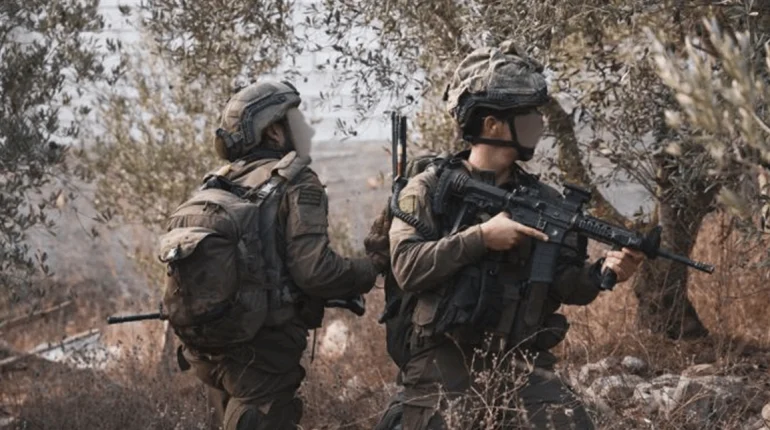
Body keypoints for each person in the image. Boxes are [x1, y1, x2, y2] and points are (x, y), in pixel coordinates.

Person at [378, 41, 645, 429]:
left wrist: (604, 272)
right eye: (528, 115)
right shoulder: (428, 190)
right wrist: (482, 237)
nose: (539, 123)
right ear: (492, 125)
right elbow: (407, 267)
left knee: (570, 423)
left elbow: (565, 285)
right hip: (443, 359)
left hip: (519, 359)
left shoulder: (544, 200)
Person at [173, 80, 390, 430]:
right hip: (263, 347)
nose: (308, 130)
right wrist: (372, 266)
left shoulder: (216, 184)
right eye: (296, 120)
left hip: (207, 345)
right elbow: (316, 271)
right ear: (274, 132)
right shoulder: (296, 182)